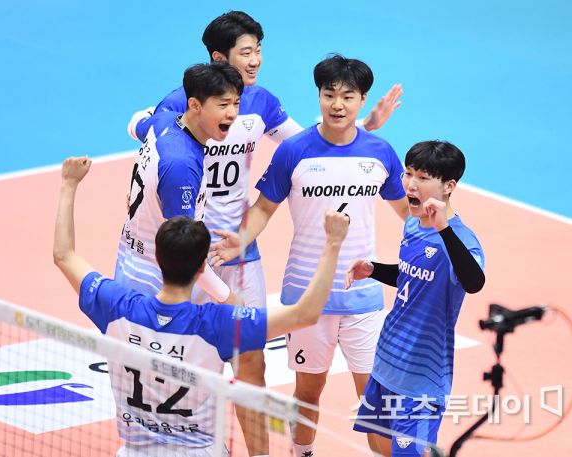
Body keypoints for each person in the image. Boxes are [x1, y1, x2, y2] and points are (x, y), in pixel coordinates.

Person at [127, 11, 403, 456]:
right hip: (185, 251)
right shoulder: (181, 106)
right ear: (220, 58)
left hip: (238, 252)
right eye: (246, 52)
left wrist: (365, 129)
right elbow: (143, 127)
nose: (256, 60)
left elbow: (312, 143)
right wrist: (147, 126)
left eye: (258, 51)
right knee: (177, 362)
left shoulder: (261, 103)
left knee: (251, 364)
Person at [52, 156, 350, 457]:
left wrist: (68, 184)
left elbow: (64, 255)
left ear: (158, 258)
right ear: (201, 269)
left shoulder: (117, 306)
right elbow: (306, 313)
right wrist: (333, 244)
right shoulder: (218, 324)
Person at [209, 54, 410, 457]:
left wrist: (442, 236)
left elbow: (408, 211)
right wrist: (240, 239)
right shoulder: (294, 151)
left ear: (362, 100)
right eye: (329, 94)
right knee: (308, 391)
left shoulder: (381, 152)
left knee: (374, 399)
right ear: (318, 96)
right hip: (305, 300)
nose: (337, 104)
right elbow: (264, 208)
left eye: (348, 97)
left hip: (363, 297)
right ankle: (302, 454)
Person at [345, 140, 485, 456]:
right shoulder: (412, 223)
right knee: (379, 445)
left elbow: (474, 282)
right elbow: (411, 276)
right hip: (387, 360)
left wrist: (444, 229)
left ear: (449, 186)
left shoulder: (462, 240)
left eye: (423, 178)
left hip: (421, 379)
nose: (410, 184)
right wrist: (373, 269)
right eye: (408, 173)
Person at [116, 61, 243, 305]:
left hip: (130, 260)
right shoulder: (182, 166)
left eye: (236, 103)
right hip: (157, 283)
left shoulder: (162, 122)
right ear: (194, 105)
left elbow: (135, 122)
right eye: (223, 104)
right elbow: (184, 251)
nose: (232, 114)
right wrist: (227, 297)